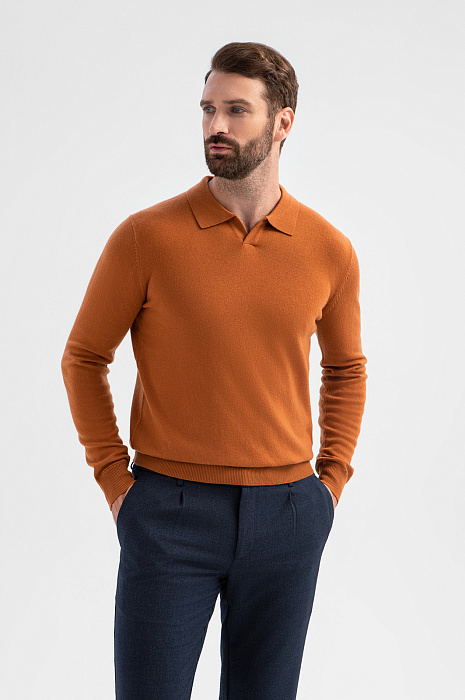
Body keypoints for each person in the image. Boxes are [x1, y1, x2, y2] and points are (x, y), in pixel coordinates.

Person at [61, 41, 367, 700]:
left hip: (289, 512)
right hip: (168, 512)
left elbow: (345, 369)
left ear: (282, 122)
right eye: (207, 109)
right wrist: (114, 480)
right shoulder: (146, 237)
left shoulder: (328, 250)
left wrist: (330, 483)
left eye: (235, 110)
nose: (215, 126)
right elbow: (84, 357)